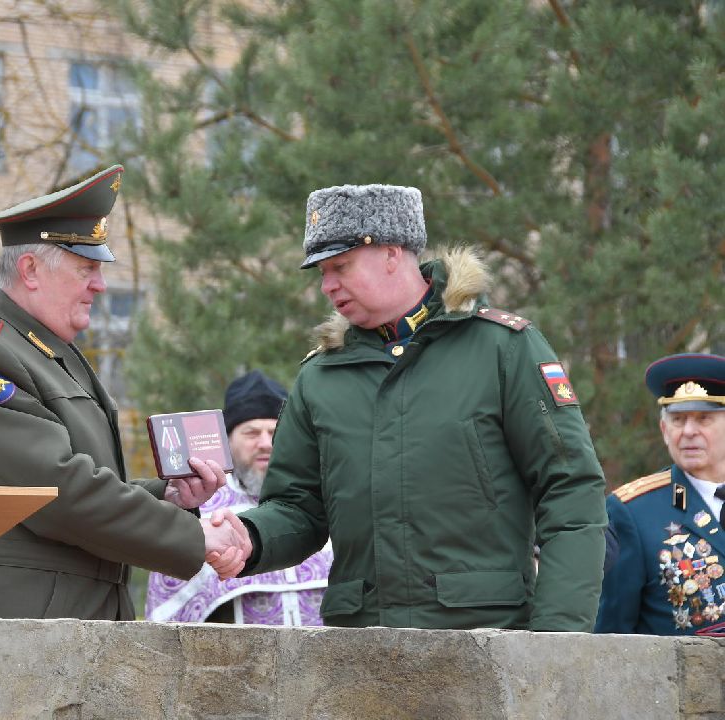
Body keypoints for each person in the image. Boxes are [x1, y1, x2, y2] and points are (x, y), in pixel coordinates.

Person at [206, 183, 607, 631]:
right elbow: (299, 508)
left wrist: (557, 637)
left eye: (340, 266)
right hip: (360, 648)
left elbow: (570, 490)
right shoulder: (320, 378)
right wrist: (251, 536)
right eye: (321, 272)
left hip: (485, 639)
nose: (327, 286)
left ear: (393, 253)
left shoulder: (503, 349)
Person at [0, 165, 241, 620]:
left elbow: (75, 483)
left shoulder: (45, 351)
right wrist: (195, 537)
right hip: (15, 628)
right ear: (30, 270)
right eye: (86, 267)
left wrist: (165, 497)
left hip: (68, 621)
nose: (100, 285)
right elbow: (55, 492)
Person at [146, 370, 334, 624]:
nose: (266, 443)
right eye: (252, 433)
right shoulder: (202, 504)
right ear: (228, 441)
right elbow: (172, 603)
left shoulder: (323, 499)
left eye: (274, 432)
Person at [596, 353, 725, 635]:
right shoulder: (632, 512)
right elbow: (611, 634)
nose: (689, 431)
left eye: (704, 419)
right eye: (678, 420)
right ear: (664, 429)